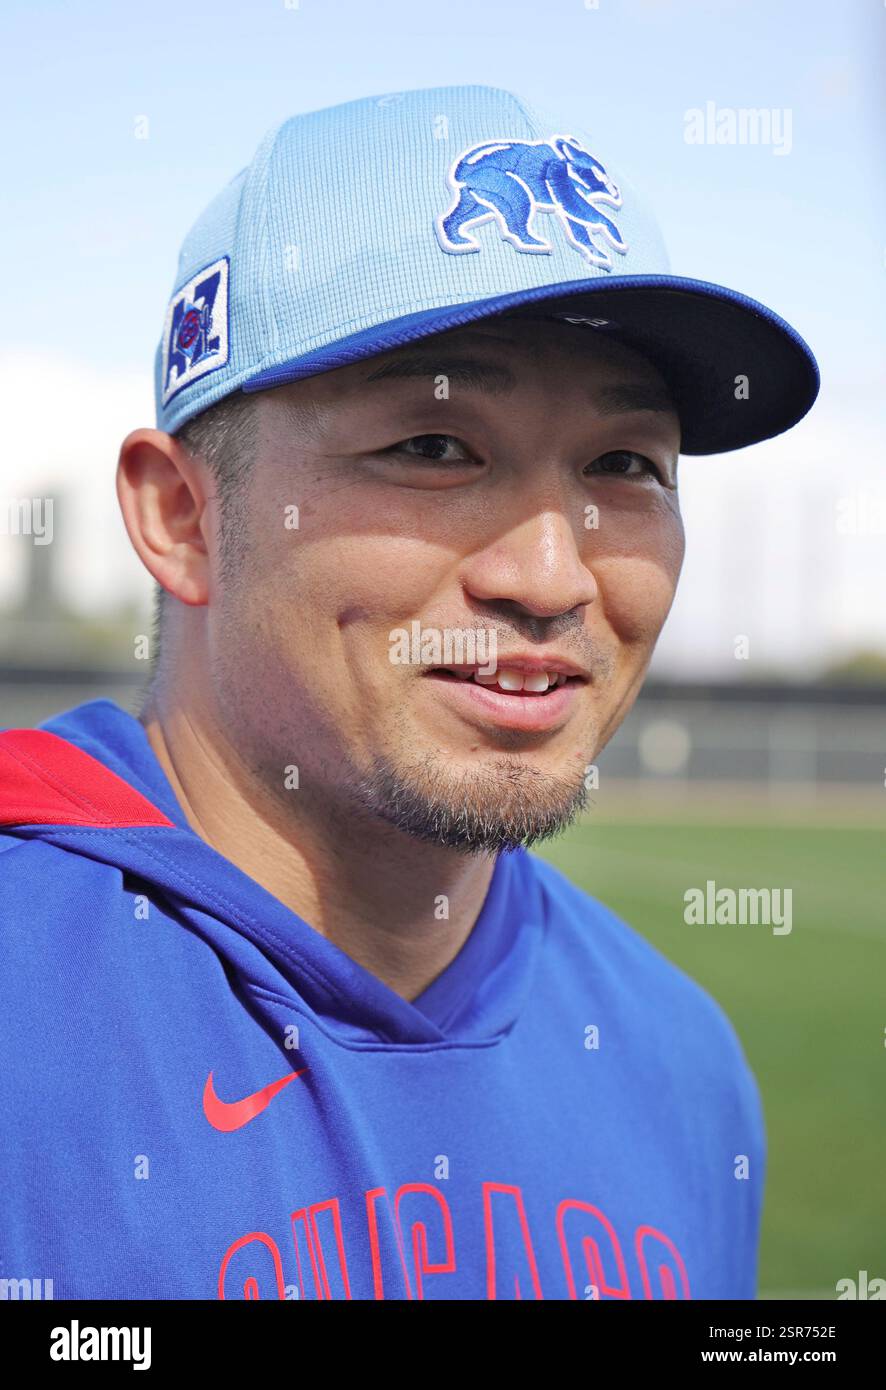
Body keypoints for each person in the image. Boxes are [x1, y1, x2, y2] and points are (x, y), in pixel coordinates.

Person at [0, 84, 818, 1300]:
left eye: (623, 464)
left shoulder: (684, 1064)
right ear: (184, 516)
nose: (550, 577)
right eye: (434, 448)